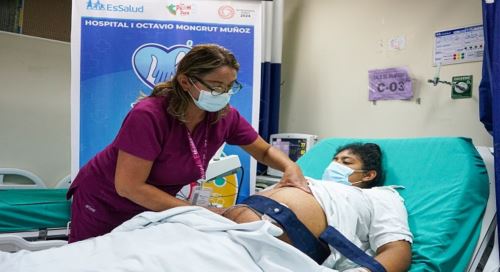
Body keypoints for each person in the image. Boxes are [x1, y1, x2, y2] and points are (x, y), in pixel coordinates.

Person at [67, 44, 308, 243]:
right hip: (104, 200)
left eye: (229, 87)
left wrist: (291, 168)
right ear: (185, 81)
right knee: (95, 259)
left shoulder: (224, 115)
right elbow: (129, 186)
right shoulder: (149, 115)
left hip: (151, 205)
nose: (223, 94)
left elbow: (264, 150)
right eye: (215, 86)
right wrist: (198, 211)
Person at [223, 142, 413, 272]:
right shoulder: (311, 182)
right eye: (335, 160)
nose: (335, 165)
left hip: (281, 237)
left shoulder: (381, 195)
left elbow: (398, 250)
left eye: (346, 162)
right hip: (228, 227)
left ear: (368, 175)